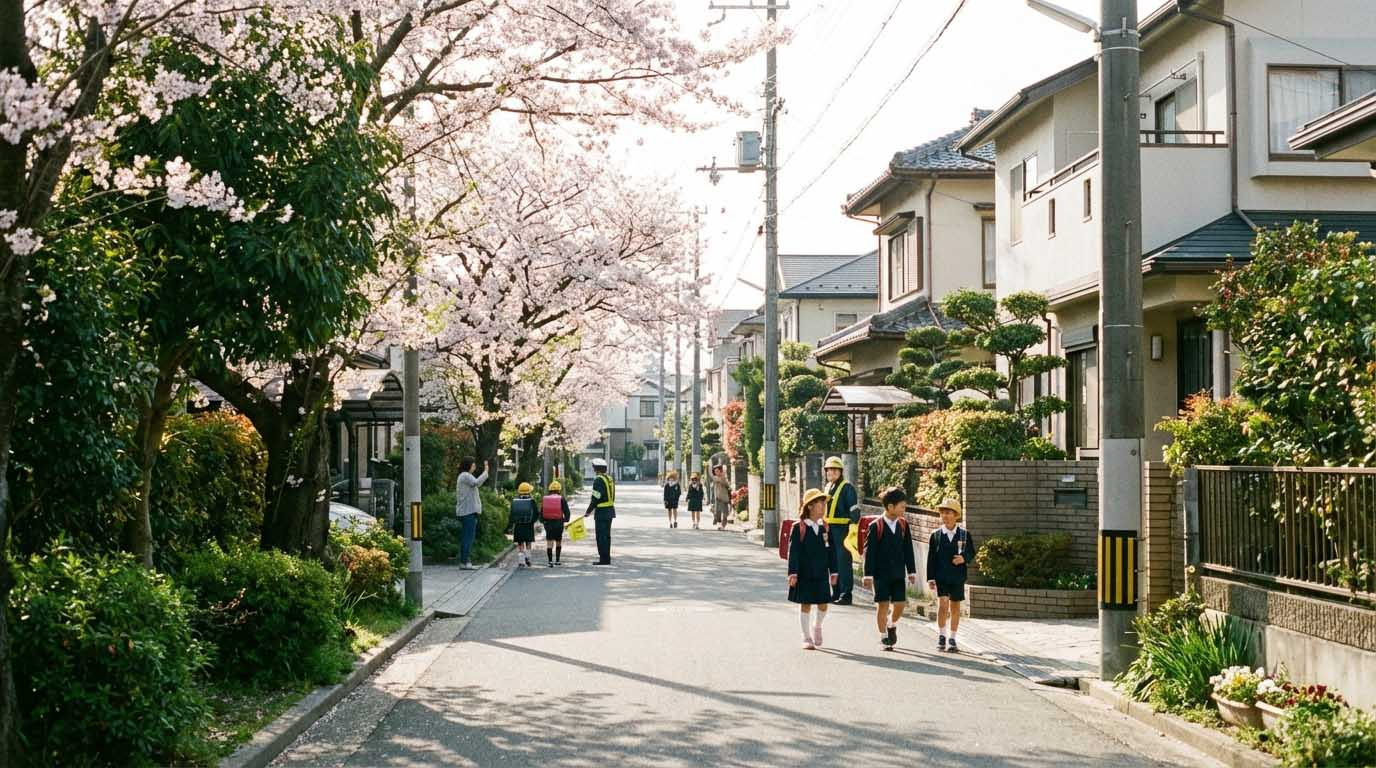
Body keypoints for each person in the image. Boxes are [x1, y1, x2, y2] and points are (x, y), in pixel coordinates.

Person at [863, 487, 918, 651]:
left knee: (900, 604)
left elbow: (908, 549)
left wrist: (912, 571)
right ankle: (883, 637)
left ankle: (891, 624)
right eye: (902, 506)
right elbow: (870, 553)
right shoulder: (876, 526)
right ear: (890, 506)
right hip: (880, 574)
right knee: (883, 605)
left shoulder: (903, 525)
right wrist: (868, 575)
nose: (904, 509)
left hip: (898, 573)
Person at [788, 488, 837, 650]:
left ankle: (817, 626)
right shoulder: (799, 527)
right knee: (806, 604)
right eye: (820, 503)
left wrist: (834, 571)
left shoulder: (826, 527)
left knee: (823, 603)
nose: (823, 506)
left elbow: (832, 551)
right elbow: (794, 552)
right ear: (809, 506)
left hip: (821, 572)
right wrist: (793, 573)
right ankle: (806, 636)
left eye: (824, 503)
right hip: (804, 573)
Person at [927, 498, 975, 653]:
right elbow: (931, 558)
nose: (945, 516)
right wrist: (930, 577)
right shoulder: (936, 535)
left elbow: (971, 552)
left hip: (957, 576)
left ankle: (953, 638)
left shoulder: (964, 535)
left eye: (948, 512)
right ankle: (942, 635)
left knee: (955, 606)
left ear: (956, 515)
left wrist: (963, 558)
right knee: (942, 605)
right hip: (941, 576)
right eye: (943, 513)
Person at [822, 456, 861, 605]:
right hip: (829, 529)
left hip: (843, 530)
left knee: (843, 562)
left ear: (840, 472)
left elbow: (854, 510)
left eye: (834, 470)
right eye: (828, 470)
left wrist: (853, 528)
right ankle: (836, 592)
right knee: (832, 562)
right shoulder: (828, 487)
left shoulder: (847, 488)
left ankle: (846, 595)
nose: (830, 472)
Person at [455, 458, 491, 570]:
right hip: (468, 511)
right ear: (468, 465)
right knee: (468, 538)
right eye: (473, 465)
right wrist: (486, 471)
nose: (474, 467)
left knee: (467, 537)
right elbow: (477, 482)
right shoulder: (465, 475)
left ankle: (465, 561)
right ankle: (464, 562)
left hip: (467, 511)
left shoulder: (464, 476)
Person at [584, 458, 616, 565]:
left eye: (594, 467)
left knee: (601, 536)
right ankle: (607, 558)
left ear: (596, 469)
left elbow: (596, 497)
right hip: (610, 510)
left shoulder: (598, 480)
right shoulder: (609, 479)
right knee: (607, 536)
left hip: (601, 512)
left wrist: (588, 511)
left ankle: (603, 559)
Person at [541, 480, 572, 567]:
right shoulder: (561, 499)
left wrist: (543, 521)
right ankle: (557, 560)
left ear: (550, 489)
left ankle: (550, 561)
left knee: (549, 542)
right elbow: (567, 511)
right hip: (559, 523)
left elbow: (541, 512)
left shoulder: (545, 499)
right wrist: (565, 520)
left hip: (548, 523)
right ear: (559, 490)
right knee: (558, 541)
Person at [509, 482, 539, 568]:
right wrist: (532, 521)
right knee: (528, 542)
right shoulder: (532, 501)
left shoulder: (515, 501)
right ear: (529, 491)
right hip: (528, 525)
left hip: (518, 525)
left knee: (520, 543)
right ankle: (528, 558)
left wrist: (511, 525)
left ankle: (521, 561)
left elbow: (512, 514)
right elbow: (536, 513)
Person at [711, 465, 732, 531]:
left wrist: (724, 476)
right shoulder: (715, 478)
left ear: (720, 471)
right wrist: (723, 475)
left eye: (717, 471)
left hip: (724, 498)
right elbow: (718, 480)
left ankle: (723, 526)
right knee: (717, 513)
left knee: (725, 513)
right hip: (717, 498)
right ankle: (716, 518)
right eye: (715, 471)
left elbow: (727, 484)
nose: (716, 472)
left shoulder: (724, 478)